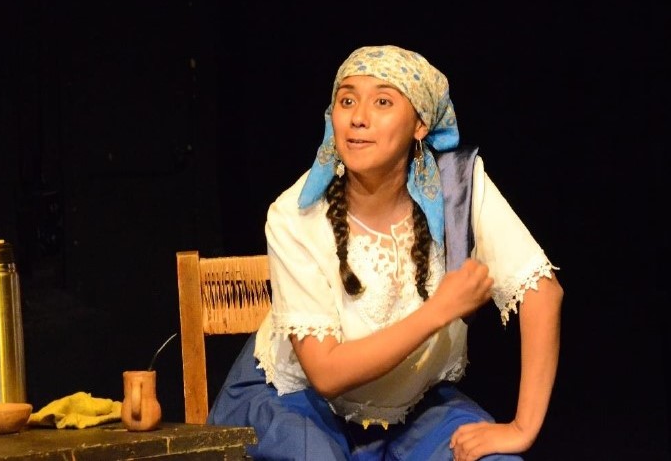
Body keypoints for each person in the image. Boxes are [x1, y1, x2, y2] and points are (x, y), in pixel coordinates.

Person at [207, 45, 563, 461]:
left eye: (382, 102)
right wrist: (439, 310)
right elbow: (326, 373)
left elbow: (542, 291)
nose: (359, 117)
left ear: (420, 124)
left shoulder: (459, 189)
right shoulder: (296, 214)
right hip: (296, 401)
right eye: (347, 101)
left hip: (413, 408)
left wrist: (522, 428)